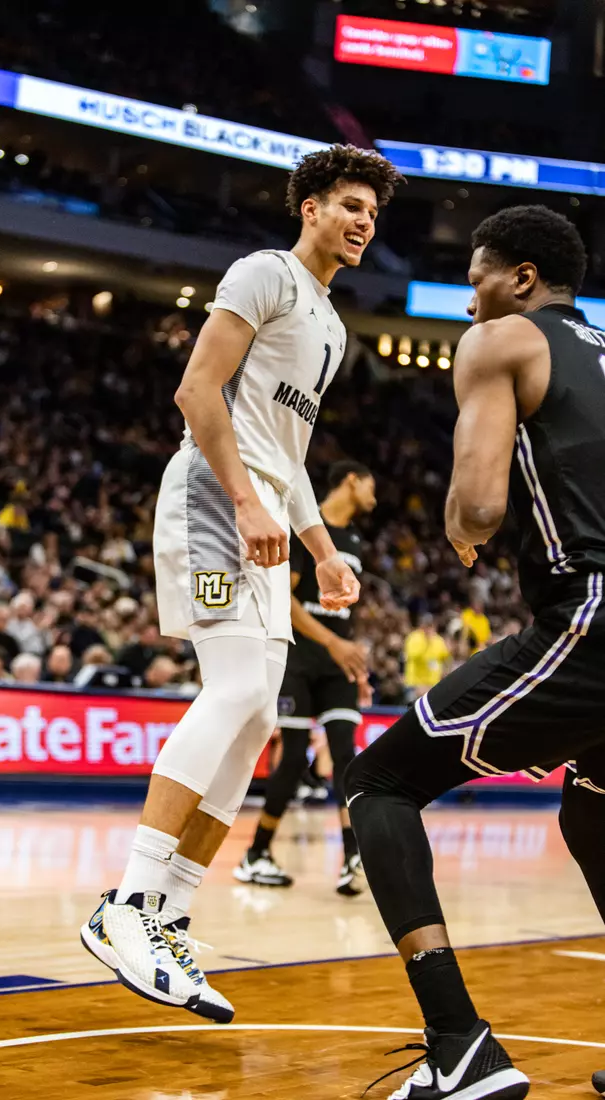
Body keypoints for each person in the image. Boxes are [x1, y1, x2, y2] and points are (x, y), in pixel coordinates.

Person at [80, 144, 402, 1023]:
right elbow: (196, 392)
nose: (361, 220)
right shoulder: (261, 273)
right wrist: (242, 501)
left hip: (260, 518)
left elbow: (288, 458)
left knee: (260, 714)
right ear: (308, 207)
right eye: (346, 203)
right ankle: (127, 906)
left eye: (370, 210)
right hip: (211, 501)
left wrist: (322, 548)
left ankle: (170, 914)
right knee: (231, 695)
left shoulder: (332, 329)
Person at [345, 205, 605, 1100]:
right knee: (592, 815)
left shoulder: (501, 341)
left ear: (521, 278)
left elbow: (482, 508)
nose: (468, 301)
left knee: (378, 785)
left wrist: (460, 527)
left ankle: (460, 1048)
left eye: (476, 277)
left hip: (591, 615)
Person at [234, 460, 375, 895]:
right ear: (351, 479)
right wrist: (332, 644)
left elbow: (347, 615)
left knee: (345, 757)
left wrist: (353, 660)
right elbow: (286, 599)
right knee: (293, 759)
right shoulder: (303, 527)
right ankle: (256, 853)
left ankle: (353, 856)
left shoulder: (354, 540)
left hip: (338, 667)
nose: (376, 494)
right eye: (371, 484)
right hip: (298, 659)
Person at [403, 614, 450, 702]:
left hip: (433, 686)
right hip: (415, 685)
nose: (429, 628)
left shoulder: (438, 640)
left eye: (431, 625)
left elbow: (446, 658)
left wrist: (445, 673)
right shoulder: (413, 638)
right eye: (426, 625)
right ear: (421, 625)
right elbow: (413, 656)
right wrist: (426, 642)